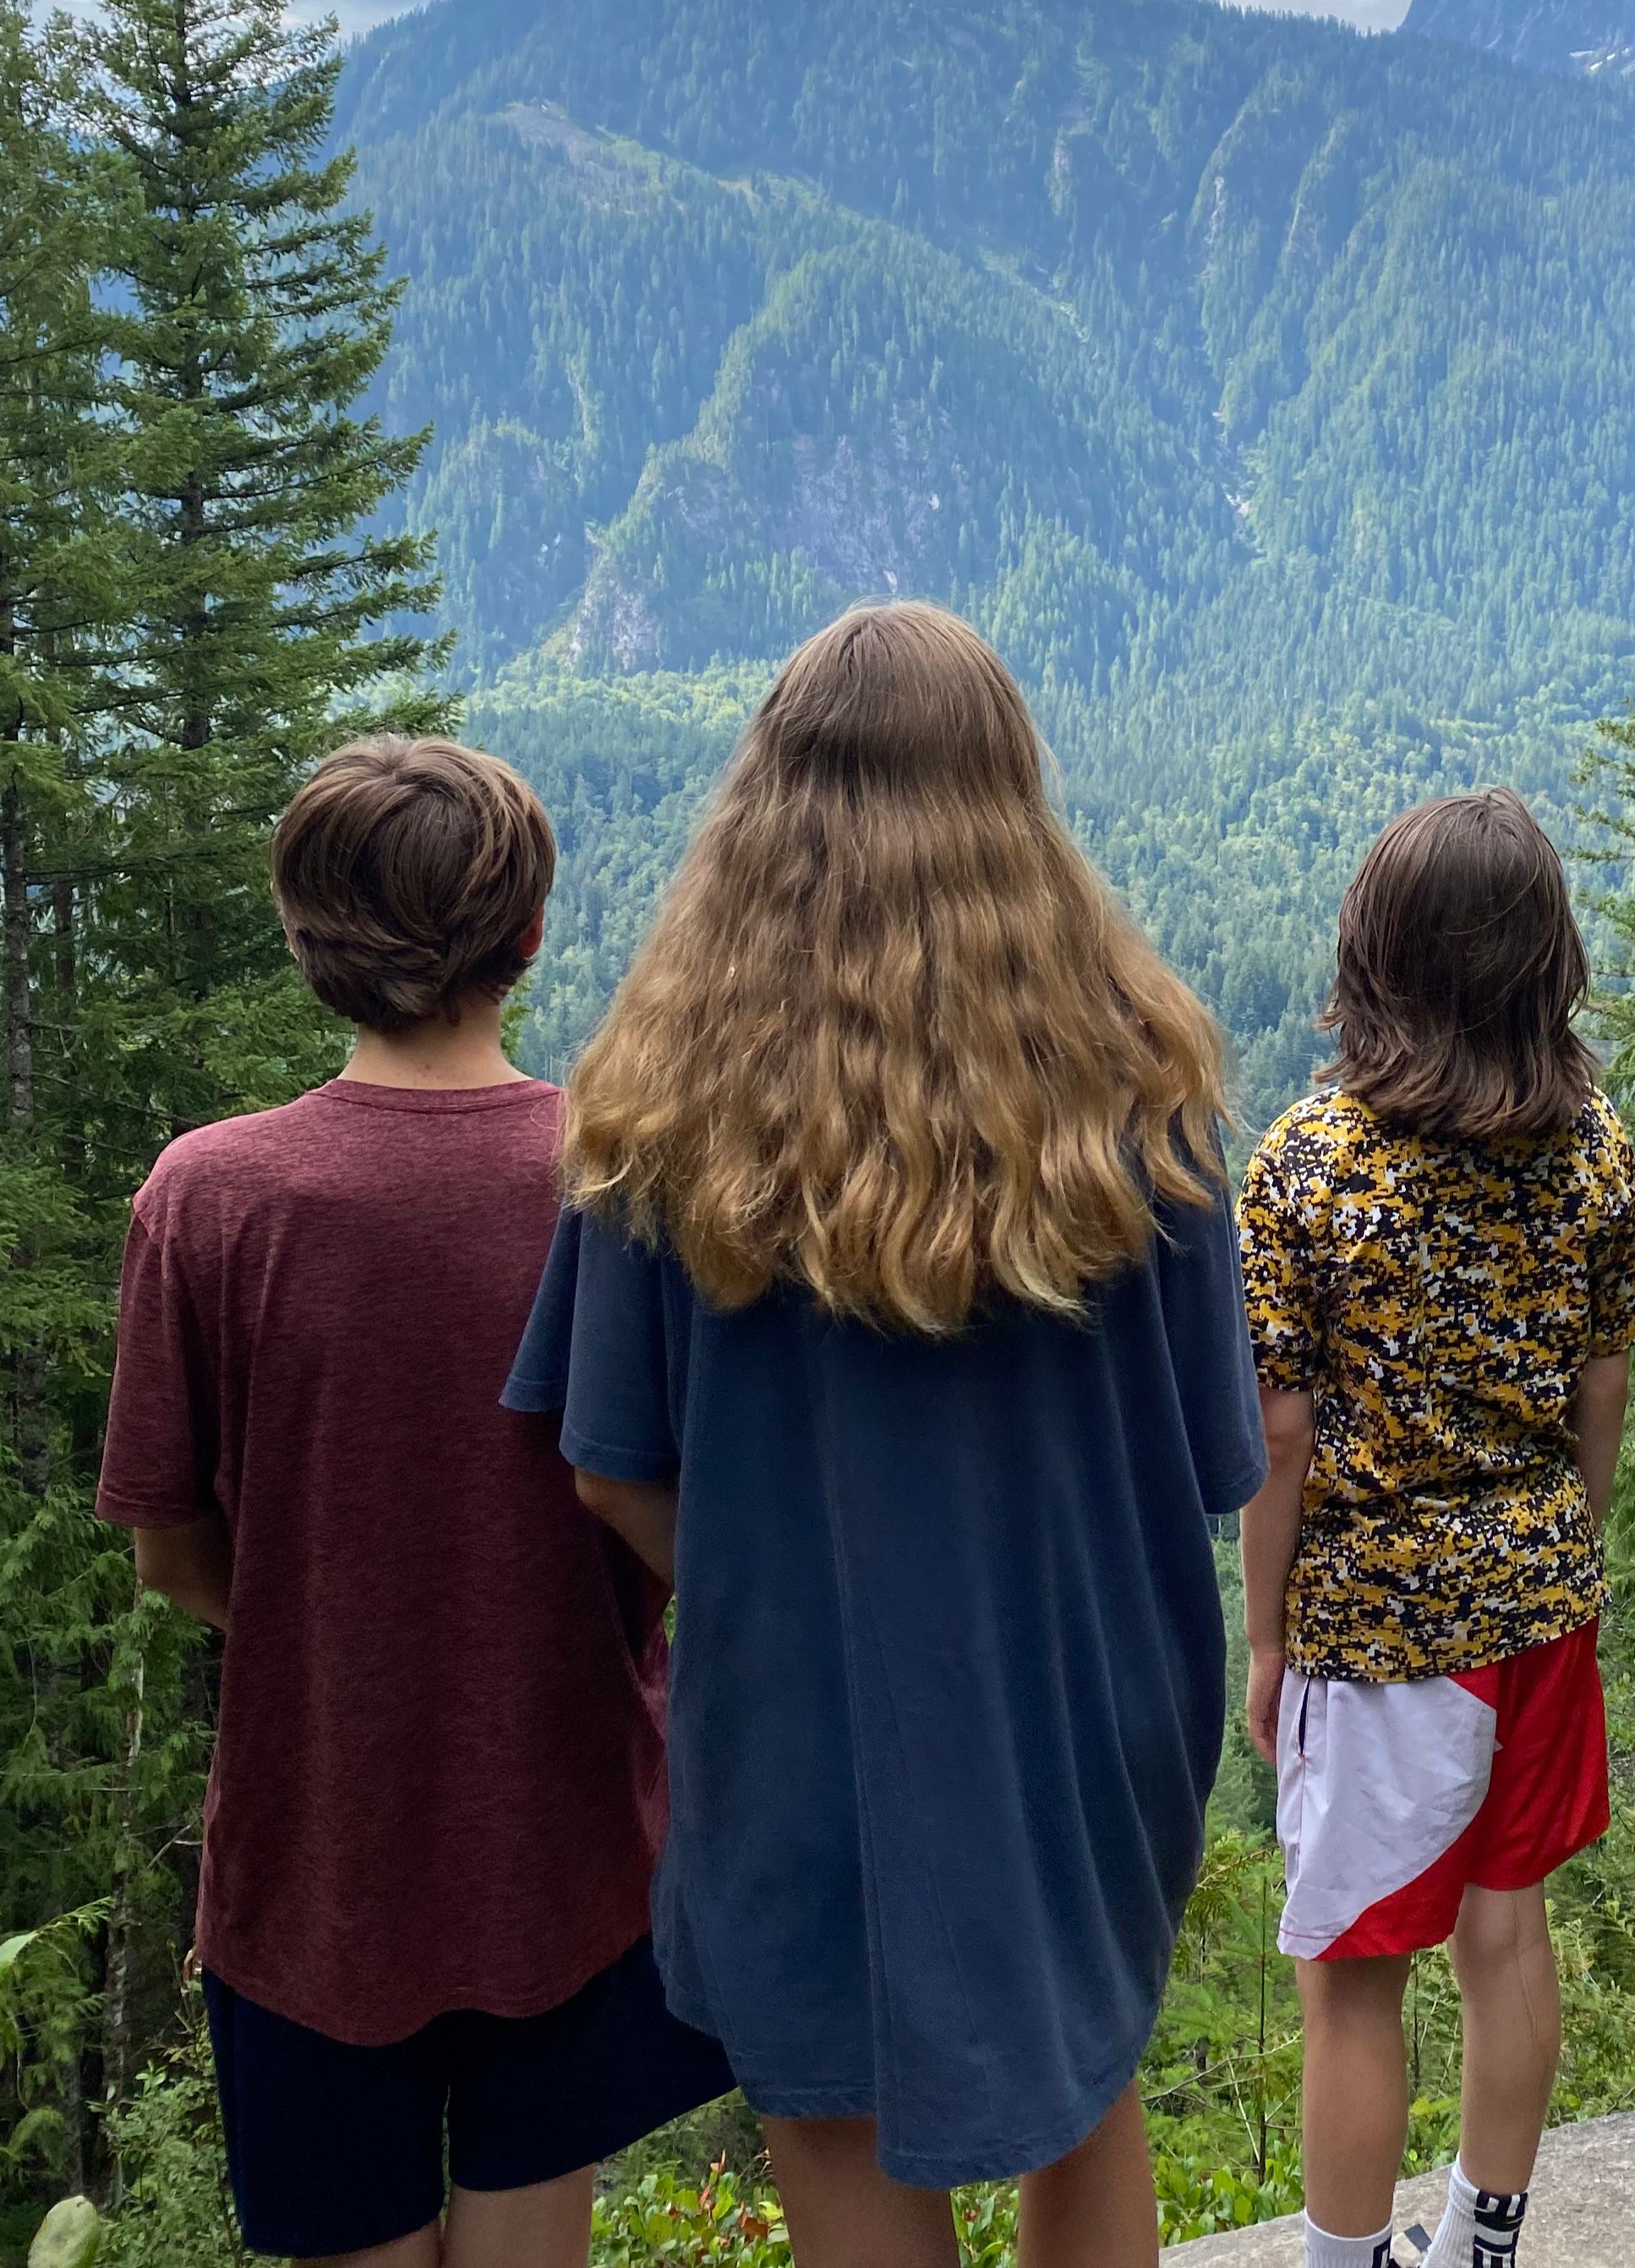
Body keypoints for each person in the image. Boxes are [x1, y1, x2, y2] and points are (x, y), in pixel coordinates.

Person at [506, 601, 1264, 2268]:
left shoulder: (654, 1110)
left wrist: (793, 1578)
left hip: (800, 1734)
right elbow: (1215, 1462)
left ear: (762, 804)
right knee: (1092, 2082)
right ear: (1010, 790)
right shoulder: (1148, 1090)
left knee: (834, 2128)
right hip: (1084, 1715)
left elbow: (609, 1467)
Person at [96, 737, 734, 2268]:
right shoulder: (623, 1180)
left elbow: (170, 1550)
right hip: (572, 1839)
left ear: (312, 945)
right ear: (526, 935)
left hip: (317, 1859)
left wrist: (342, 1615)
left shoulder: (211, 1198)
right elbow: (686, 1508)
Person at [1238, 788, 1635, 2268]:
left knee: (1355, 1983)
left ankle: (1343, 2261)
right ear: (1546, 964)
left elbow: (1280, 1431)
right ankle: (1481, 2243)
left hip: (1377, 1633)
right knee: (1507, 1932)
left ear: (1374, 958)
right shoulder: (1594, 1150)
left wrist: (1267, 1632)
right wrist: (1567, 1543)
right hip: (1541, 1600)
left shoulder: (1309, 1163)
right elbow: (1605, 1376)